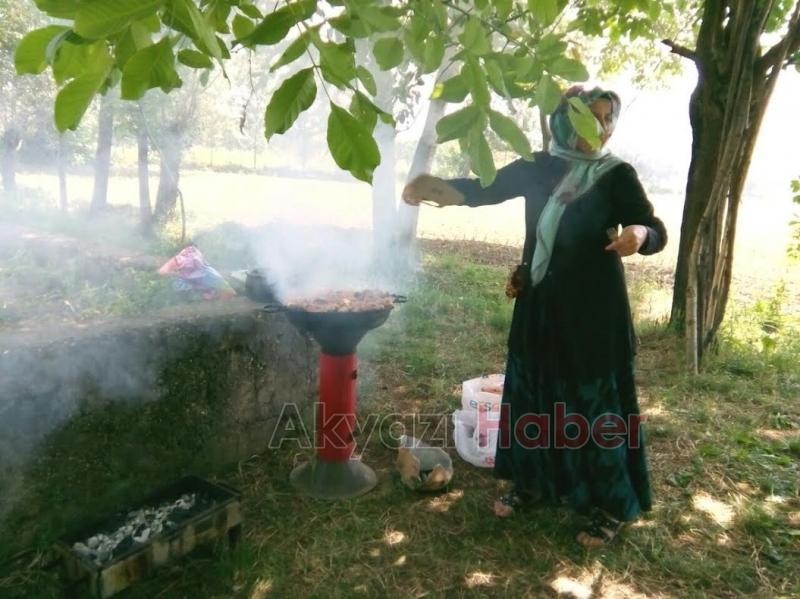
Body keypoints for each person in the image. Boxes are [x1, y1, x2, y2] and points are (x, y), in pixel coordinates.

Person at [402, 86, 667, 547]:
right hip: (540, 304)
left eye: (608, 120)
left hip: (593, 313)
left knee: (592, 408)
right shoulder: (539, 166)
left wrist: (640, 234)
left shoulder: (615, 175)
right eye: (591, 117)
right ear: (565, 119)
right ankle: (533, 483)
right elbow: (486, 188)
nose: (600, 129)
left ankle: (609, 504)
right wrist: (440, 190)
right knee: (533, 396)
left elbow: (656, 229)